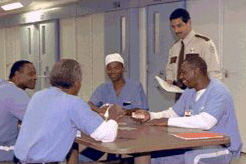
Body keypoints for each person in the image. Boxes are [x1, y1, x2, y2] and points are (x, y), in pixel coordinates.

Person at [134, 56, 242, 164]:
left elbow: (206, 122)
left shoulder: (219, 91)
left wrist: (167, 122)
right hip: (194, 144)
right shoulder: (189, 91)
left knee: (193, 158)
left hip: (221, 147)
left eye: (184, 73)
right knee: (152, 156)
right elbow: (174, 113)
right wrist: (151, 116)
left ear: (196, 72)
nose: (181, 77)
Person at [14, 59, 123, 163]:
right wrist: (113, 114)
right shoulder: (73, 102)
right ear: (77, 83)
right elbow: (107, 135)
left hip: (21, 160)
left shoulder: (38, 96)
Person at [166, 8, 222, 90]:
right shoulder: (175, 47)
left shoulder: (204, 43)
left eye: (179, 25)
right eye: (173, 27)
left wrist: (211, 95)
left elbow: (214, 73)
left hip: (199, 93)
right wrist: (169, 80)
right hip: (179, 93)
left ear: (188, 23)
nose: (176, 30)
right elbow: (170, 69)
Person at [0, 60, 37, 162]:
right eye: (31, 74)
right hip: (4, 155)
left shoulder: (3, 85)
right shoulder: (16, 93)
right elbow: (38, 122)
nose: (35, 77)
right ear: (17, 75)